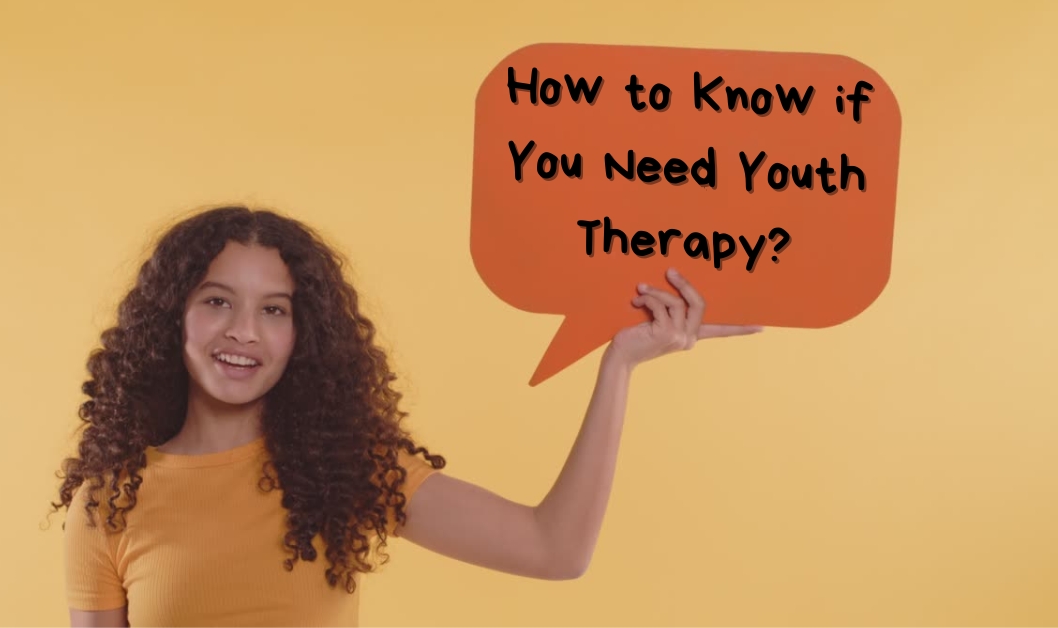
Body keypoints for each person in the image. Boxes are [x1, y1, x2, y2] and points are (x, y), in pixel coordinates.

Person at [51, 204, 762, 627]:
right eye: (216, 301)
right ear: (169, 317)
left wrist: (619, 366)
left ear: (302, 336)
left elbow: (555, 550)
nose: (244, 331)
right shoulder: (109, 502)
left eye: (274, 310)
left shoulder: (347, 472)